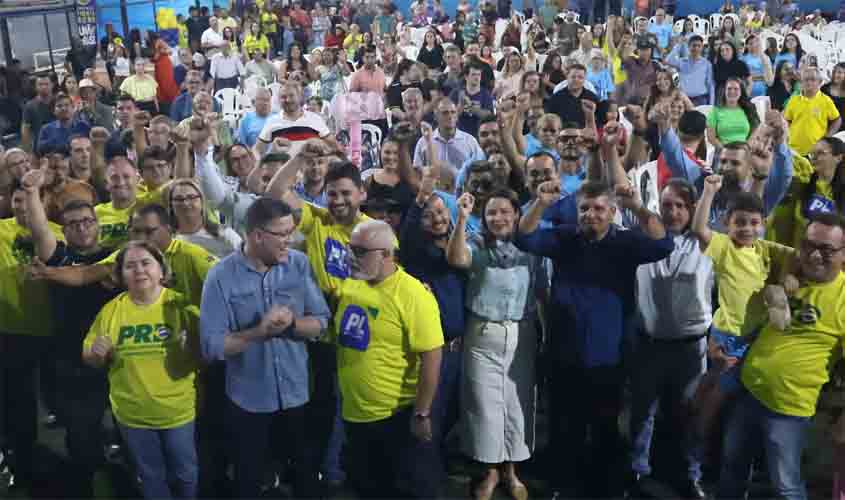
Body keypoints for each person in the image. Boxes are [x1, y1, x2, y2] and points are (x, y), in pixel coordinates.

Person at [516, 177, 674, 497]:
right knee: (564, 426)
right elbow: (524, 237)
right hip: (565, 349)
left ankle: (604, 488)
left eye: (599, 208)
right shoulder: (564, 237)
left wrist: (637, 207)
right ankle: (562, 485)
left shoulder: (626, 242)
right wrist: (542, 203)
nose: (591, 214)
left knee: (605, 426)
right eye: (584, 208)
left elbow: (663, 244)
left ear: (612, 211)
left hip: (609, 353)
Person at [200, 196, 330, 497]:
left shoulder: (299, 265)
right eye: (283, 234)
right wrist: (259, 332)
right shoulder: (220, 277)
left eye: (291, 232)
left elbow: (322, 321)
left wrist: (293, 326)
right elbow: (212, 346)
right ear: (257, 235)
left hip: (298, 395)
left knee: (306, 479)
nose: (290, 240)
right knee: (248, 482)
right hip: (248, 402)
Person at [717, 213, 845, 500]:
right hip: (748, 391)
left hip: (789, 409)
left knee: (786, 487)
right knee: (732, 469)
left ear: (843, 253)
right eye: (809, 245)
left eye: (826, 249)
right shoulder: (791, 273)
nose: (814, 255)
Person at [331, 219, 444, 499]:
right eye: (349, 248)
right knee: (369, 488)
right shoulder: (351, 284)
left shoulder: (414, 295)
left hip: (395, 416)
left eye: (359, 251)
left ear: (386, 254)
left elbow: (432, 356)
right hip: (355, 414)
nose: (350, 256)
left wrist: (422, 412)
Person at [21, 169, 116, 498]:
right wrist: (32, 191)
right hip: (72, 360)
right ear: (65, 229)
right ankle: (89, 483)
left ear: (97, 222)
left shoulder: (114, 257)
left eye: (87, 221)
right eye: (73, 224)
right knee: (82, 434)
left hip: (118, 359)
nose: (81, 228)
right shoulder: (58, 255)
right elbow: (38, 228)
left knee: (127, 428)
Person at [83, 240, 200, 499]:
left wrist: (192, 347)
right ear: (121, 275)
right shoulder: (111, 310)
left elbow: (208, 356)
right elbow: (89, 355)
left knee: (186, 472)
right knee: (150, 475)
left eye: (146, 263)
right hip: (131, 415)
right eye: (130, 266)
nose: (139, 271)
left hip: (177, 413)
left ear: (161, 270)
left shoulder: (182, 306)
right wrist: (96, 354)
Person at [446, 189, 543, 500]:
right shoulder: (475, 242)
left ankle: (512, 471)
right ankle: (489, 472)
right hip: (481, 333)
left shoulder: (531, 246)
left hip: (521, 332)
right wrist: (461, 219)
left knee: (518, 404)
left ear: (516, 214)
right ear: (483, 218)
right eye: (491, 213)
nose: (498, 218)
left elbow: (542, 291)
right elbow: (456, 258)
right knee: (483, 407)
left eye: (505, 212)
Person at [628, 178, 710, 500]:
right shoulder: (643, 238)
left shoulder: (705, 240)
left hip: (691, 348)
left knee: (690, 415)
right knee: (641, 413)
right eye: (667, 205)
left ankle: (690, 475)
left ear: (692, 209)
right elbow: (621, 188)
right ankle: (638, 472)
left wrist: (711, 190)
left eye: (680, 205)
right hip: (650, 345)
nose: (673, 212)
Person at [0, 181, 64, 494]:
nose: (22, 207)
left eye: (28, 200)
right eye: (16, 200)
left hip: (54, 330)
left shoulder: (57, 231)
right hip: (11, 331)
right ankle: (21, 462)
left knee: (62, 400)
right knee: (19, 404)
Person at [767, 137, 845, 248]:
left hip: (828, 259)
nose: (814, 158)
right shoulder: (801, 183)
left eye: (821, 153)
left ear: (839, 158)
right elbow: (781, 222)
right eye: (812, 154)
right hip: (795, 254)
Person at [167, 178, 241, 258]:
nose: (185, 203)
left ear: (202, 201)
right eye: (179, 199)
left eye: (191, 197)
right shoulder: (167, 240)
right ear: (171, 205)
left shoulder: (226, 234)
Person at [413, 98, 484, 175]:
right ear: (436, 116)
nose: (450, 116)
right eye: (445, 113)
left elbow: (480, 168)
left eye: (453, 112)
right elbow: (417, 172)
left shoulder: (470, 141)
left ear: (457, 116)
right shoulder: (423, 142)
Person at [784, 67, 842, 156]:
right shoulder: (793, 100)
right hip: (794, 150)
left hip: (816, 152)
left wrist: (828, 136)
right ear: (801, 82)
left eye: (813, 79)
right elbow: (786, 120)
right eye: (806, 80)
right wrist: (786, 136)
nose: (809, 82)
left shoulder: (826, 101)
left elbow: (837, 120)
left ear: (819, 82)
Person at [707, 77, 760, 147]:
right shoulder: (715, 111)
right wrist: (725, 150)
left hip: (745, 150)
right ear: (724, 91)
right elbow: (711, 138)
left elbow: (756, 129)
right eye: (729, 89)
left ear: (741, 92)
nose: (732, 91)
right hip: (723, 151)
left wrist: (747, 147)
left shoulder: (748, 109)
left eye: (736, 89)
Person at [545, 64, 599, 128]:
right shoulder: (556, 98)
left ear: (585, 79)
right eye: (573, 77)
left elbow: (598, 121)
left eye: (580, 77)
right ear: (567, 77)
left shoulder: (592, 98)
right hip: (562, 135)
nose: (576, 80)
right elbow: (550, 121)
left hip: (585, 135)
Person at [666, 35, 716, 106]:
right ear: (688, 46)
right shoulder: (682, 61)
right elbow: (668, 60)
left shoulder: (707, 63)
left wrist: (711, 104)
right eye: (694, 45)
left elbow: (710, 84)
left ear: (702, 47)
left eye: (699, 46)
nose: (696, 48)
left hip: (701, 99)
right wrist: (679, 44)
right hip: (684, 99)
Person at [450, 63, 494, 138]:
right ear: (466, 77)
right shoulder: (456, 93)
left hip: (479, 136)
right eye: (473, 74)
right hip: (459, 135)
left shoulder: (486, 94)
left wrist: (472, 108)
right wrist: (460, 105)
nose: (477, 77)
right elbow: (450, 117)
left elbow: (489, 116)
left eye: (478, 75)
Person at [21, 76, 55, 154]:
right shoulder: (29, 106)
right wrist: (28, 152)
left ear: (52, 85)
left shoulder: (59, 101)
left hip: (61, 146)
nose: (43, 87)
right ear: (36, 87)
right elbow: (25, 129)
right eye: (40, 84)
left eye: (46, 84)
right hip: (40, 149)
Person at [822, 63, 845, 128]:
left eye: (839, 72)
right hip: (826, 127)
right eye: (834, 71)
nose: (835, 74)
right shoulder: (824, 89)